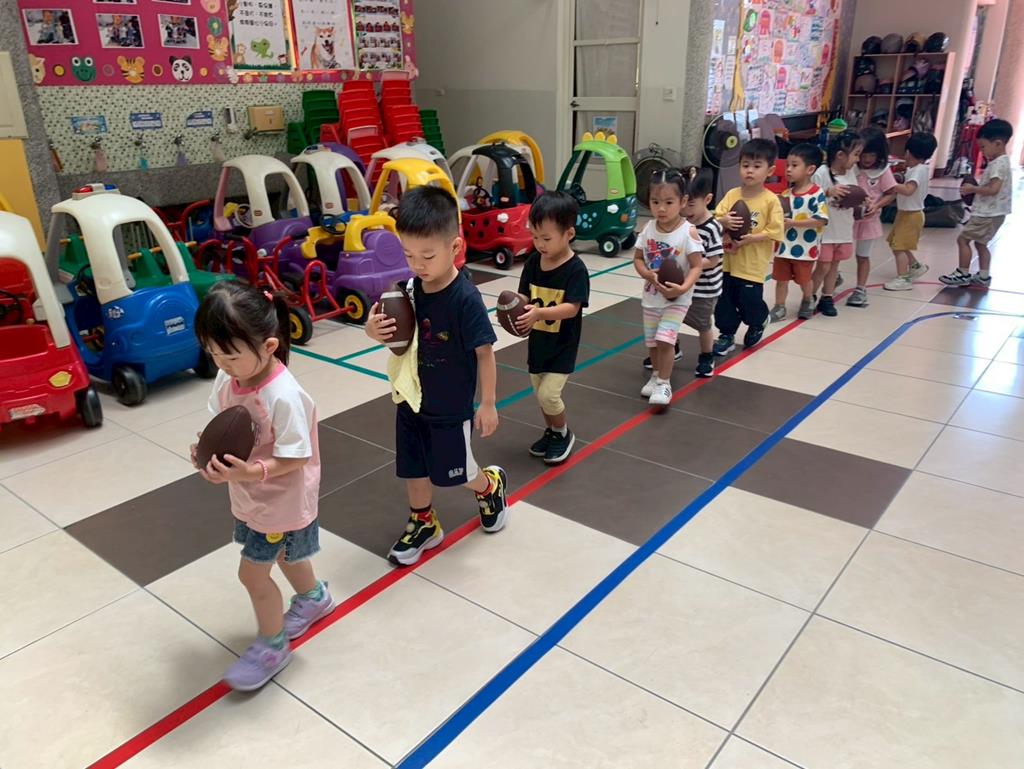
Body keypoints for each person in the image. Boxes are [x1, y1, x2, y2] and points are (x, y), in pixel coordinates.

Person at [192, 282, 332, 692]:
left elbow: (296, 457)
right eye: (213, 353)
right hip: (253, 495)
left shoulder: (283, 396)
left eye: (230, 354)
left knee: (253, 575)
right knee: (286, 555)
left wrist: (248, 473)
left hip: (280, 501)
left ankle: (272, 646)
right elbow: (220, 426)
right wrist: (206, 453)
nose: (222, 363)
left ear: (269, 346)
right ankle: (314, 598)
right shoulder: (228, 378)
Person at [365, 186, 508, 566]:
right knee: (413, 467)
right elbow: (386, 327)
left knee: (455, 473)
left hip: (449, 407)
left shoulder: (465, 299)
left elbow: (485, 352)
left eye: (427, 256)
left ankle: (489, 486)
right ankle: (423, 522)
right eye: (408, 255)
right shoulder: (409, 291)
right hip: (411, 399)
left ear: (455, 247)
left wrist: (488, 403)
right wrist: (371, 329)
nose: (417, 265)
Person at [515, 191, 590, 464]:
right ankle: (552, 432)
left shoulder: (576, 269)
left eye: (546, 238)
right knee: (540, 394)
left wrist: (539, 313)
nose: (539, 244)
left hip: (562, 345)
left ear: (568, 234)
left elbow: (572, 308)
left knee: (549, 395)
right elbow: (523, 295)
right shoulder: (533, 262)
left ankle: (563, 433)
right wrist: (513, 308)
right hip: (538, 343)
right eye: (535, 237)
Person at [633, 169, 704, 407]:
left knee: (665, 340)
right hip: (652, 298)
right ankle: (656, 375)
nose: (661, 208)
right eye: (655, 202)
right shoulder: (648, 229)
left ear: (683, 202)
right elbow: (638, 259)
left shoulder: (688, 232)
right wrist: (647, 274)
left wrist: (682, 288)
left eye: (668, 202)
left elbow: (697, 266)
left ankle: (664, 383)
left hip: (676, 300)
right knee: (653, 342)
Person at [713, 138, 785, 354]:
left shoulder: (770, 200)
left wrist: (751, 238)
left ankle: (759, 320)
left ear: (769, 170)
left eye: (756, 166)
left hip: (752, 264)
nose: (750, 171)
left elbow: (776, 230)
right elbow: (717, 218)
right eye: (745, 165)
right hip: (728, 262)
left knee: (749, 300)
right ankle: (726, 334)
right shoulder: (732, 195)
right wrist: (724, 222)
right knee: (724, 301)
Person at [941, 118, 1014, 288]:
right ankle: (983, 276)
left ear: (998, 143)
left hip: (987, 214)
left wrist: (973, 189)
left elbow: (994, 189)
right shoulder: (1003, 161)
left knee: (963, 240)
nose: (982, 151)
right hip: (995, 213)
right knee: (981, 244)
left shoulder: (997, 165)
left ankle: (962, 273)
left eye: (983, 147)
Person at [770, 143, 829, 322]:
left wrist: (793, 223)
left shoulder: (816, 193)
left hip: (805, 248)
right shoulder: (786, 194)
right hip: (783, 247)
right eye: (787, 165)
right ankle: (779, 307)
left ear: (810, 169)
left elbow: (821, 219)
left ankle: (807, 300)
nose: (788, 169)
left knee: (804, 280)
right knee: (781, 279)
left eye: (794, 165)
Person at [810, 130, 863, 316]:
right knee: (823, 265)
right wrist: (828, 192)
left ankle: (827, 297)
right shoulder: (821, 173)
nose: (858, 159)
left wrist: (864, 202)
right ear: (840, 155)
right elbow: (809, 198)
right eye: (856, 154)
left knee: (834, 265)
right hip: (825, 231)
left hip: (843, 229)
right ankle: (809, 297)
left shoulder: (851, 173)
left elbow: (855, 195)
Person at [848, 127, 898, 307]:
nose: (867, 159)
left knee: (863, 255)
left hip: (869, 221)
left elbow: (891, 193)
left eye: (872, 155)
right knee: (837, 251)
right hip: (847, 219)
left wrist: (876, 205)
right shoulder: (852, 167)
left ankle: (860, 288)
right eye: (863, 154)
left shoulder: (882, 171)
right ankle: (834, 276)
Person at [683, 167, 725, 376]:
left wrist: (691, 264)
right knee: (670, 318)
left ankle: (707, 355)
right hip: (684, 285)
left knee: (703, 325)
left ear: (707, 199)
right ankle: (671, 348)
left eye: (691, 205)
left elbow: (714, 260)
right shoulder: (683, 223)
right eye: (683, 204)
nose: (685, 210)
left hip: (704, 289)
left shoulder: (712, 227)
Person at [884, 132, 938, 291]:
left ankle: (903, 279)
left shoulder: (918, 171)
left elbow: (908, 190)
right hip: (906, 213)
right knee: (897, 243)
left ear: (908, 152)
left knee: (899, 247)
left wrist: (891, 184)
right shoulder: (918, 169)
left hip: (911, 215)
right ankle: (915, 266)